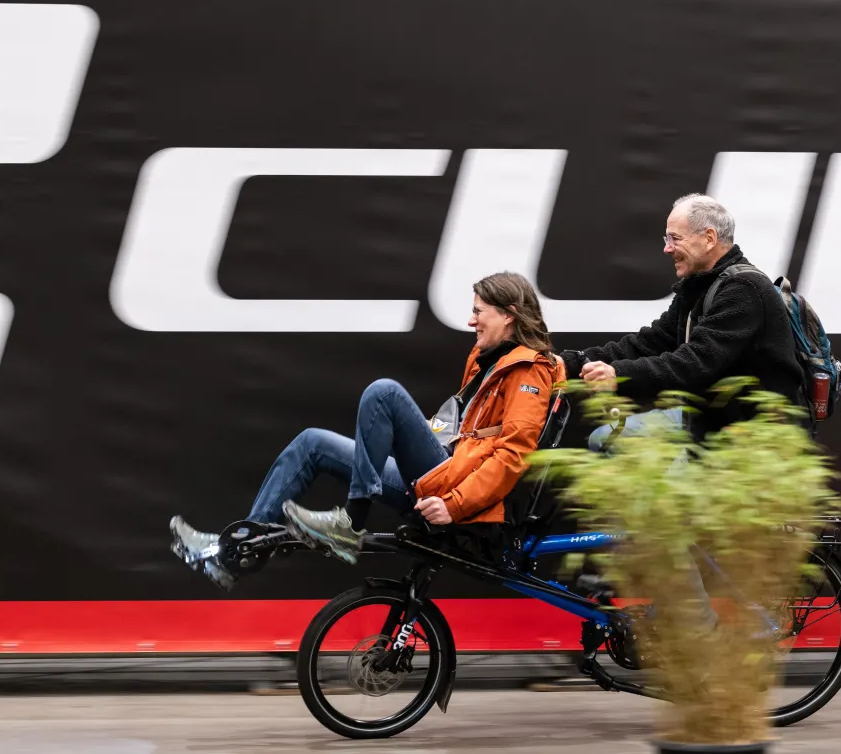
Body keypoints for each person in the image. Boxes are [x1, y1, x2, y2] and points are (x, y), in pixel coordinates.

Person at [168, 272, 563, 589]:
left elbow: (513, 457)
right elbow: (461, 429)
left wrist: (455, 504)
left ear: (509, 314)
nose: (470, 320)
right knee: (311, 443)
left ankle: (351, 523)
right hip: (443, 471)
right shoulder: (484, 359)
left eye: (480, 311)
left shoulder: (530, 371)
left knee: (384, 392)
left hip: (455, 493)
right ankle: (232, 553)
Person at [562, 193, 807, 439]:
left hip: (753, 435)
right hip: (707, 421)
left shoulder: (745, 289)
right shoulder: (699, 286)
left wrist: (617, 374)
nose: (666, 248)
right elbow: (650, 343)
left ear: (709, 238)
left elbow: (695, 363)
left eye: (674, 238)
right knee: (603, 439)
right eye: (666, 238)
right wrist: (571, 363)